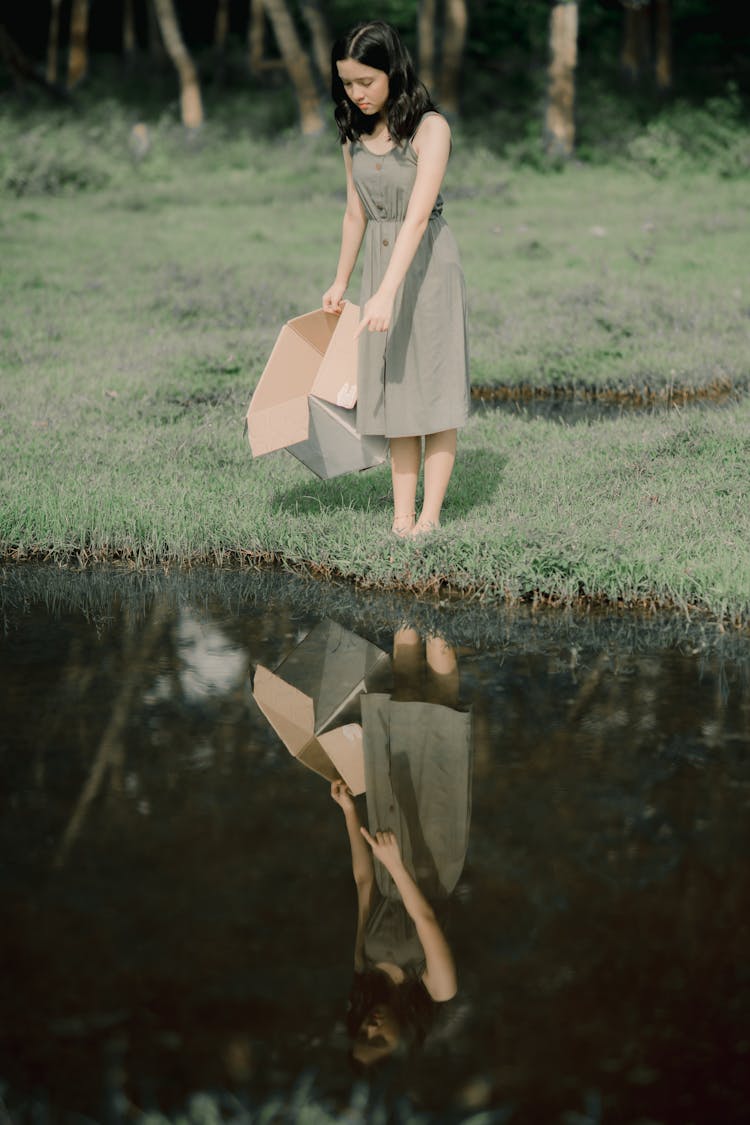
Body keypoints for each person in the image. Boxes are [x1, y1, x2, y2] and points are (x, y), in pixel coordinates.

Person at [322, 21, 470, 538]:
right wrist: (341, 282)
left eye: (366, 81)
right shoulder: (354, 134)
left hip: (426, 262)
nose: (356, 93)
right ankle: (401, 518)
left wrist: (387, 292)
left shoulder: (431, 128)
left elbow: (415, 217)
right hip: (379, 266)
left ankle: (429, 519)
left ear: (392, 71)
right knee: (398, 391)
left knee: (435, 388)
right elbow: (354, 215)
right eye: (347, 82)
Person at [331, 629, 473, 1070]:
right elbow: (425, 917)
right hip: (432, 853)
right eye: (378, 1042)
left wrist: (349, 812)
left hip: (387, 847)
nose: (370, 1028)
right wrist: (395, 862)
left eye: (361, 1034)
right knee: (439, 725)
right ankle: (443, 622)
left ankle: (414, 596)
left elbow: (362, 882)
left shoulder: (364, 971)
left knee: (401, 708)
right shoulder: (438, 988)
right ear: (402, 1045)